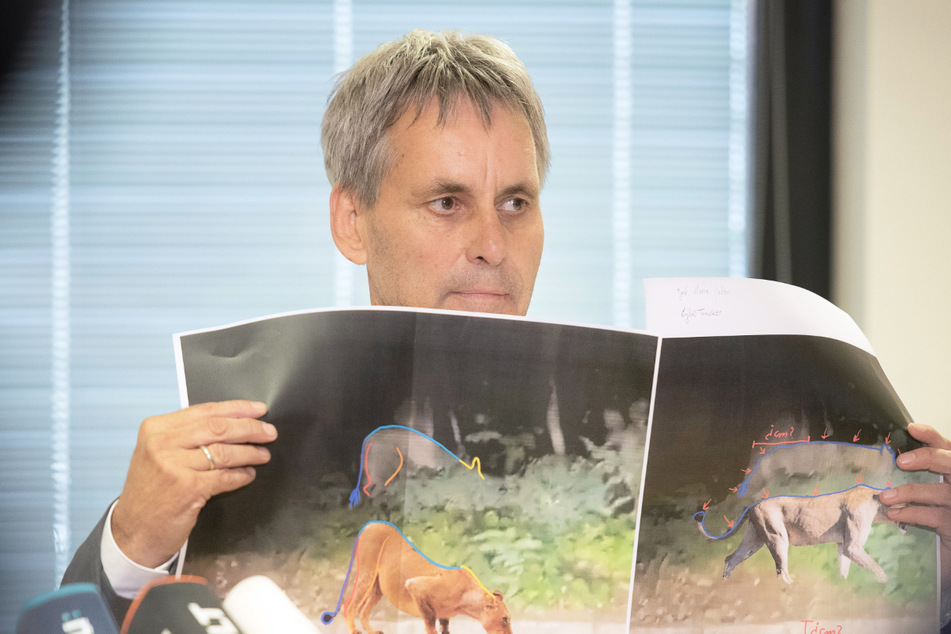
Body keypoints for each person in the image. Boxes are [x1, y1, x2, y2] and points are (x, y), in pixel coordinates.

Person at [61, 29, 951, 628]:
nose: (492, 244)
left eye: (516, 202)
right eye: (446, 202)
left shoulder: (621, 422)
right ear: (351, 219)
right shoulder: (233, 443)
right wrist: (129, 542)